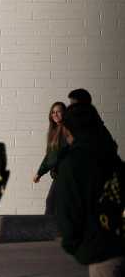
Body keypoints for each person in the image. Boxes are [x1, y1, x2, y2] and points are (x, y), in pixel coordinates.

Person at [56, 103, 124, 276]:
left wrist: (78, 247)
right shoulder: (112, 156)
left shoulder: (73, 164)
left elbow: (67, 213)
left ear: (68, 129)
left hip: (103, 253)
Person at [33, 102, 68, 215]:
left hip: (65, 175)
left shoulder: (66, 130)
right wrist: (39, 172)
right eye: (53, 112)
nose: (55, 114)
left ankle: (47, 231)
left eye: (58, 111)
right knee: (59, 205)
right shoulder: (55, 131)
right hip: (60, 175)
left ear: (64, 113)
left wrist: (40, 173)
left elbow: (54, 157)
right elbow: (49, 155)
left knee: (51, 203)